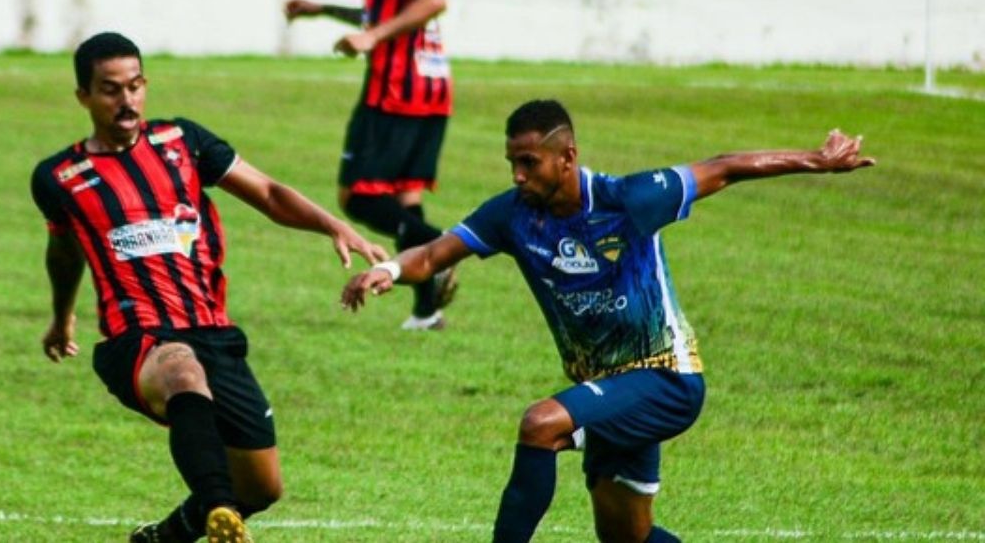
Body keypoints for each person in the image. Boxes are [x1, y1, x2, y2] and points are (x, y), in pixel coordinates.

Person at [341, 99, 875, 542]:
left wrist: (818, 160)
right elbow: (435, 255)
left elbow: (725, 166)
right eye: (513, 163)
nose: (518, 175)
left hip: (666, 378)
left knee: (540, 425)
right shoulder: (512, 215)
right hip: (609, 386)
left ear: (567, 156)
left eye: (529, 162)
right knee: (627, 538)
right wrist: (388, 269)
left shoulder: (629, 199)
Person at [30, 32, 388, 543]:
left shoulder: (183, 142)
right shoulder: (58, 176)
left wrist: (332, 224)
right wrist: (62, 316)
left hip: (213, 332)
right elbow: (66, 252)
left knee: (262, 487)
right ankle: (221, 512)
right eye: (110, 90)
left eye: (134, 86)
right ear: (83, 97)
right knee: (180, 370)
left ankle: (166, 536)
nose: (126, 100)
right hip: (136, 340)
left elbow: (266, 192)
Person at [284, 0, 457, 331]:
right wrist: (322, 10)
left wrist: (372, 37)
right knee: (405, 199)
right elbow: (388, 8)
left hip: (396, 90)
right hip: (430, 90)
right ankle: (426, 310)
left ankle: (441, 247)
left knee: (356, 197)